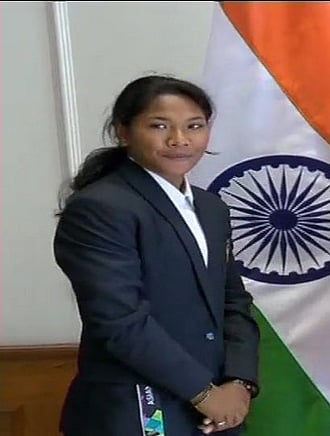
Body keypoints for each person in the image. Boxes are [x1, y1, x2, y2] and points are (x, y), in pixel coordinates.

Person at [53, 74, 260, 436]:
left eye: (194, 126)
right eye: (159, 126)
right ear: (124, 131)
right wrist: (204, 393)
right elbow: (119, 321)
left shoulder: (211, 208)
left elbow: (233, 301)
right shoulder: (101, 207)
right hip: (136, 408)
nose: (179, 139)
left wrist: (239, 383)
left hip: (218, 410)